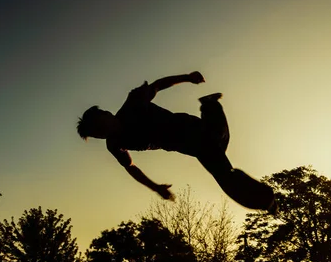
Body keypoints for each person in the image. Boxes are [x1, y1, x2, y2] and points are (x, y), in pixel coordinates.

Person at [76, 71, 277, 213]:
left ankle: (210, 106)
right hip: (186, 145)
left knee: (221, 147)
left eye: (102, 123)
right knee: (222, 162)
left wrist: (187, 78)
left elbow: (157, 85)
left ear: (107, 114)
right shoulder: (114, 143)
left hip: (190, 127)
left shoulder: (132, 104)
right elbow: (131, 167)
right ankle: (209, 105)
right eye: (99, 133)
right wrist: (155, 187)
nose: (104, 132)